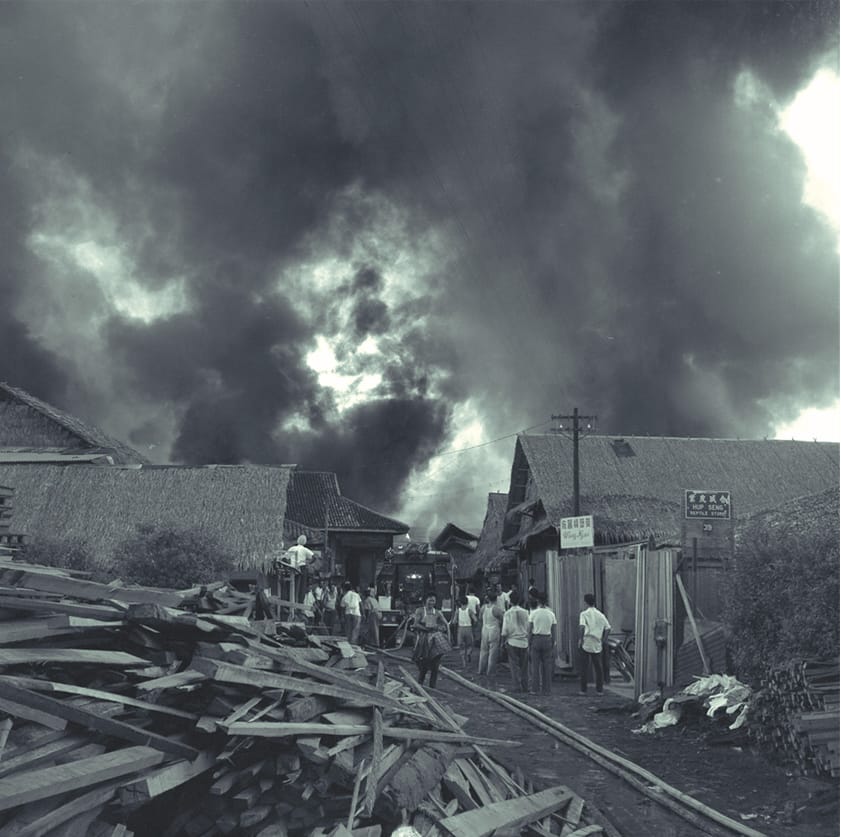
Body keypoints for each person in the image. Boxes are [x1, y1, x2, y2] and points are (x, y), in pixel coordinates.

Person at [409, 595, 451, 688]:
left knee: (435, 664)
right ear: (425, 601)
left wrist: (442, 629)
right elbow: (415, 624)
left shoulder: (437, 612)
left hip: (435, 640)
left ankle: (432, 687)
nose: (431, 603)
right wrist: (426, 628)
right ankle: (420, 685)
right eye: (430, 600)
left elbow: (446, 624)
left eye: (433, 601)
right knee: (423, 663)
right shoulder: (420, 611)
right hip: (423, 639)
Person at [579, 593, 611, 696]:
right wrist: (604, 639)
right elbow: (608, 627)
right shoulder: (601, 615)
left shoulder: (584, 614)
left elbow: (582, 627)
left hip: (587, 640)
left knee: (584, 666)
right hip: (597, 641)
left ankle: (583, 689)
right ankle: (599, 689)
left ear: (585, 602)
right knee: (598, 667)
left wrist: (580, 639)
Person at [528, 592, 557, 695]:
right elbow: (554, 630)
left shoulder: (533, 613)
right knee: (547, 665)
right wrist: (553, 642)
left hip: (536, 639)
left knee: (535, 666)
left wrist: (529, 642)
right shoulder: (551, 614)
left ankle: (535, 689)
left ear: (538, 601)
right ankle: (547, 689)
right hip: (547, 639)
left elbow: (530, 630)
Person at [501, 590, 529, 692]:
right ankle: (525, 686)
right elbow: (529, 627)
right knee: (524, 667)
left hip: (512, 641)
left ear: (510, 601)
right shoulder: (526, 612)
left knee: (514, 666)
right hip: (524, 642)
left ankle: (517, 686)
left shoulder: (507, 614)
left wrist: (503, 642)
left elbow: (504, 631)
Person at [477, 592, 504, 681]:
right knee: (493, 652)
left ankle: (481, 670)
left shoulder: (483, 608)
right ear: (496, 599)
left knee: (483, 651)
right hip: (494, 630)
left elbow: (480, 618)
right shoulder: (496, 609)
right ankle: (490, 672)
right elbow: (502, 619)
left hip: (484, 630)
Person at [451, 595, 477, 668]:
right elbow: (475, 620)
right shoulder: (469, 610)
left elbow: (454, 622)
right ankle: (468, 653)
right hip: (468, 628)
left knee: (461, 646)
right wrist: (473, 625)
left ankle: (463, 663)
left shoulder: (458, 611)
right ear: (467, 602)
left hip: (461, 628)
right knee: (470, 644)